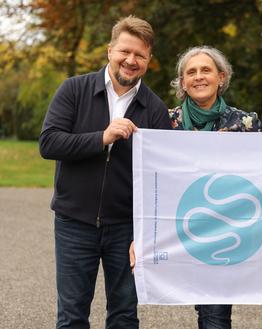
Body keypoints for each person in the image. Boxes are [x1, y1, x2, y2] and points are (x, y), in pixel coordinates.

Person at [39, 15, 172, 329]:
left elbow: (161, 177)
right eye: (125, 51)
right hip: (74, 223)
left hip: (125, 230)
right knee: (71, 317)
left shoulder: (154, 109)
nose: (131, 60)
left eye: (140, 55)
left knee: (124, 317)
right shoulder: (74, 89)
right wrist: (102, 137)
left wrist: (145, 235)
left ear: (149, 60)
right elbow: (49, 143)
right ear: (110, 50)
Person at [129, 45, 259, 329]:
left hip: (225, 234)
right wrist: (138, 234)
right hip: (176, 228)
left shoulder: (246, 123)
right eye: (191, 72)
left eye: (206, 70)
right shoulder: (164, 122)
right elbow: (147, 177)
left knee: (215, 316)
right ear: (183, 83)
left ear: (221, 77)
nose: (199, 77)